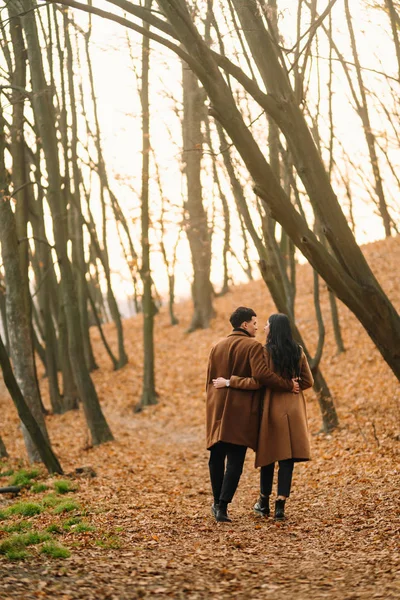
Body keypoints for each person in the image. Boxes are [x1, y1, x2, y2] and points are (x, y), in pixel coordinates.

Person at [213, 313, 314, 521]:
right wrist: (294, 387)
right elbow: (308, 381)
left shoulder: (265, 352)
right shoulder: (298, 351)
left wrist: (230, 382)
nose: (264, 328)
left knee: (269, 455)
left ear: (274, 329)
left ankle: (263, 502)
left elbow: (259, 380)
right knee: (287, 458)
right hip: (294, 409)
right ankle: (280, 506)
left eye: (267, 325)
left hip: (271, 408)